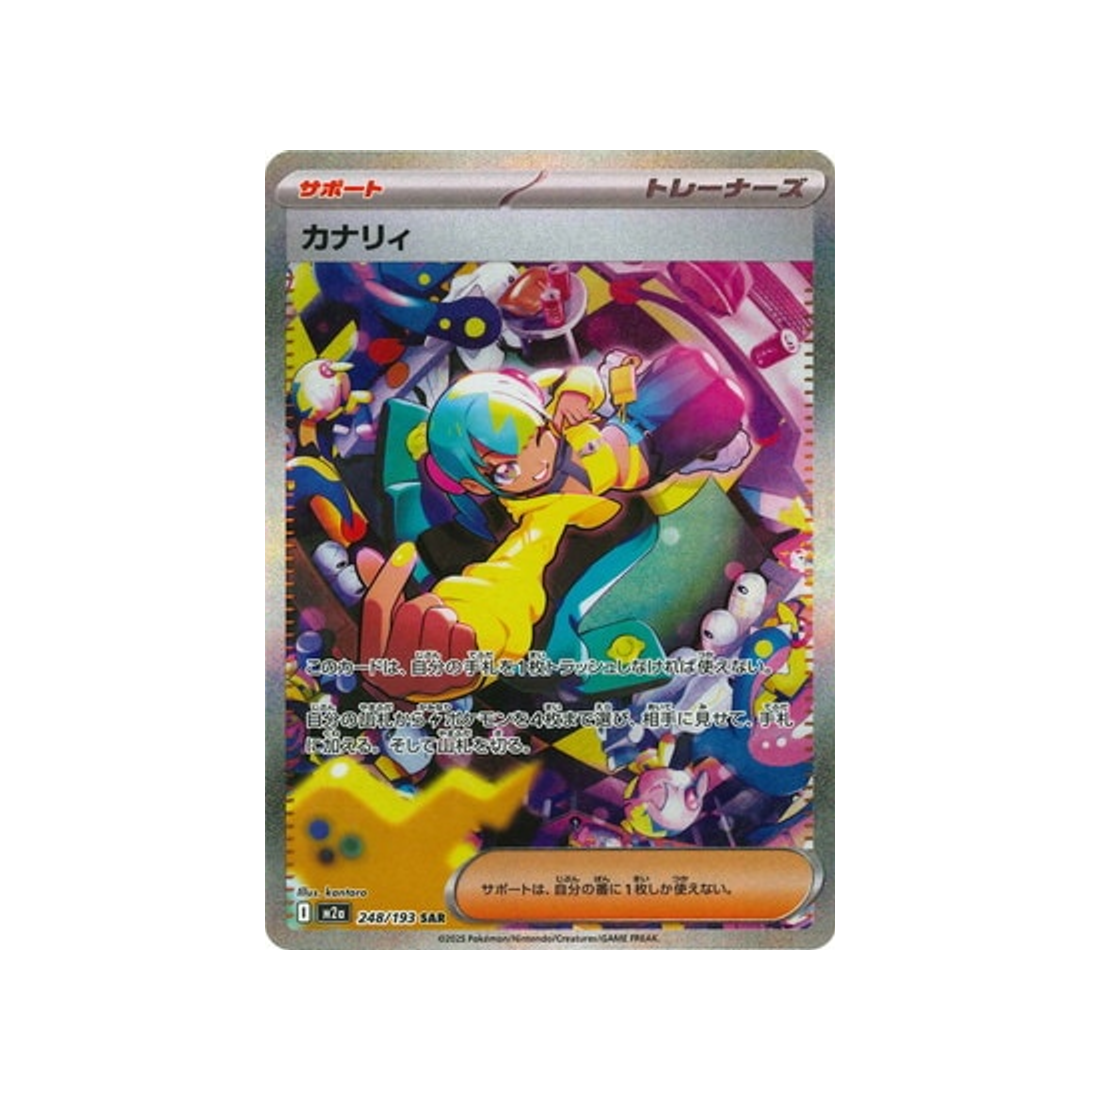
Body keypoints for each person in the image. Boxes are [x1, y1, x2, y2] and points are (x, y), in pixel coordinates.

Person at [356, 345, 747, 702]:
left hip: (624, 420)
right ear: (477, 483)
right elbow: (512, 575)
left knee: (692, 364)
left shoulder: (550, 416)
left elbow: (579, 379)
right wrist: (475, 634)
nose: (536, 462)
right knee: (725, 409)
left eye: (536, 438)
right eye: (507, 468)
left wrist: (576, 393)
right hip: (648, 459)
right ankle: (713, 451)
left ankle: (695, 420)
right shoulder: (541, 514)